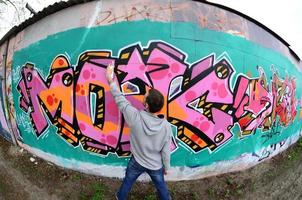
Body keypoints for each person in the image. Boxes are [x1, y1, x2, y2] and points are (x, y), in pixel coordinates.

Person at [105, 64, 172, 200]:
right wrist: (167, 167)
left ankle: (120, 197)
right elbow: (166, 150)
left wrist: (111, 81)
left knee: (128, 181)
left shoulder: (135, 117)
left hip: (137, 161)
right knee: (161, 187)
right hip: (155, 164)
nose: (143, 95)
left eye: (145, 96)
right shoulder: (166, 126)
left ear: (147, 105)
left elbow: (120, 100)